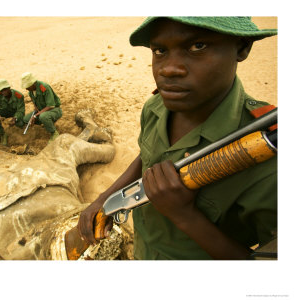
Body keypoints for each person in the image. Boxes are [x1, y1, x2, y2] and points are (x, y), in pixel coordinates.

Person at [77, 17, 277, 260]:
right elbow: (146, 156)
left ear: (242, 47)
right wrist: (105, 198)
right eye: (160, 50)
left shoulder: (271, 156)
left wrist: (185, 215)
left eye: (198, 46)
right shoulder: (155, 107)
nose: (168, 69)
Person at [21, 72, 62, 142]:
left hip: (54, 110)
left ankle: (54, 133)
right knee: (26, 119)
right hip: (42, 111)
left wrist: (35, 116)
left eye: (27, 86)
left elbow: (50, 106)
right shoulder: (30, 92)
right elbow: (35, 106)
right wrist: (34, 114)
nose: (26, 89)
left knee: (43, 116)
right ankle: (45, 124)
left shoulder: (44, 87)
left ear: (32, 83)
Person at [0, 79, 25, 145]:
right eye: (1, 90)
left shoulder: (19, 96)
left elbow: (21, 111)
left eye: (5, 89)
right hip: (3, 112)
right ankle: (2, 134)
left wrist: (15, 118)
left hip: (14, 113)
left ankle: (18, 135)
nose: (3, 92)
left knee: (20, 124)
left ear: (9, 88)